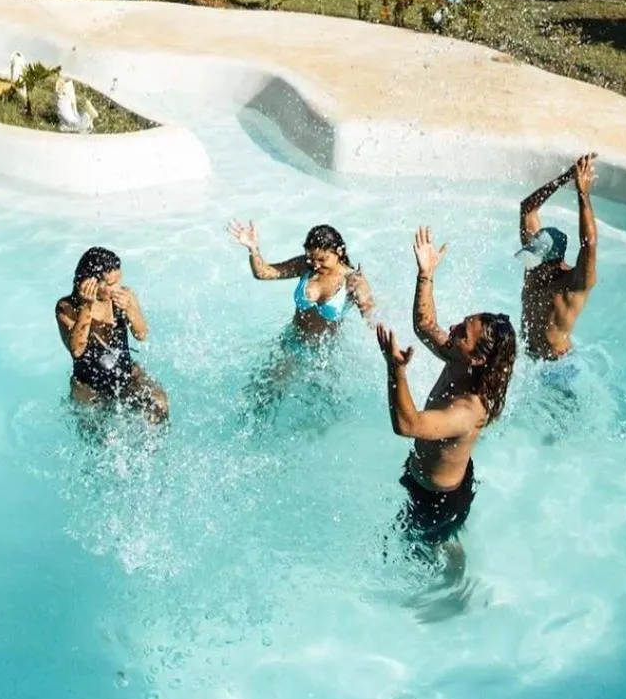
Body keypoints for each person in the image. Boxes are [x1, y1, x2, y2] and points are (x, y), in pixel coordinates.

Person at [376, 226, 517, 556]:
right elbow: (425, 326)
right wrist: (425, 276)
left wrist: (396, 370)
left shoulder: (468, 410)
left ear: (479, 357)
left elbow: (407, 425)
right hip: (431, 478)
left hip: (437, 499)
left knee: (421, 549)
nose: (452, 329)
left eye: (463, 332)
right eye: (462, 322)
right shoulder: (460, 357)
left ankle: (455, 580)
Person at [55, 246, 169, 423]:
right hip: (88, 385)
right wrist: (87, 305)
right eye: (110, 284)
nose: (117, 288)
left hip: (127, 374)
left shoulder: (125, 296)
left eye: (118, 281)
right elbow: (76, 350)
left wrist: (130, 309)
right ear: (90, 283)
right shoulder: (67, 307)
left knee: (159, 404)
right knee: (95, 430)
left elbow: (142, 334)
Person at [226, 220, 375, 337]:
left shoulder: (353, 280)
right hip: (292, 343)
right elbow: (263, 273)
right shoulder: (304, 266)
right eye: (311, 258)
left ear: (339, 252)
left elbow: (371, 318)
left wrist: (364, 302)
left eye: (322, 259)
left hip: (326, 355)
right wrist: (253, 248)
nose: (315, 265)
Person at [517, 153, 598, 366]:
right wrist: (565, 178)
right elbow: (527, 208)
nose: (530, 266)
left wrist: (583, 194)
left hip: (557, 366)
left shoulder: (574, 285)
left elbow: (589, 244)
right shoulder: (534, 266)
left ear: (552, 261)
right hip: (527, 356)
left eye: (536, 261)